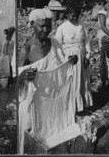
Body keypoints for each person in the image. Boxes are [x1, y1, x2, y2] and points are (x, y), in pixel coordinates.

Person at [17, 8, 77, 154]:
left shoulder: (54, 44)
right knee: (30, 138)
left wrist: (70, 61)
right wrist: (23, 75)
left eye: (48, 26)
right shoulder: (27, 49)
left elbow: (62, 65)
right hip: (32, 102)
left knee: (52, 137)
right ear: (32, 25)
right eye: (41, 26)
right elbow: (16, 79)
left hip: (51, 102)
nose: (46, 29)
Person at [54, 6, 93, 111]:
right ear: (67, 15)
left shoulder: (82, 26)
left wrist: (88, 56)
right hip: (69, 58)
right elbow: (57, 45)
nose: (74, 17)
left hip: (81, 55)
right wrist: (64, 59)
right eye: (72, 14)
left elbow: (87, 41)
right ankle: (70, 106)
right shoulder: (62, 27)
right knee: (71, 80)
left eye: (76, 14)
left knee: (82, 80)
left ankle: (81, 106)